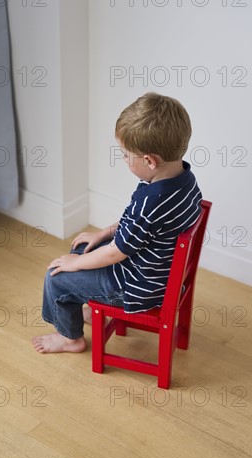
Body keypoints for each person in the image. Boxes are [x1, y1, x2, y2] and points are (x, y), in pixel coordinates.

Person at [32, 92, 202, 354]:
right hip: (160, 273)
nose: (123, 160)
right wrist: (104, 233)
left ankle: (70, 337)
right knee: (83, 249)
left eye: (125, 155)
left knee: (57, 277)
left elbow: (115, 253)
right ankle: (86, 306)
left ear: (149, 161)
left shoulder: (150, 204)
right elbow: (135, 228)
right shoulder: (184, 180)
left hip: (136, 287)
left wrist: (75, 264)